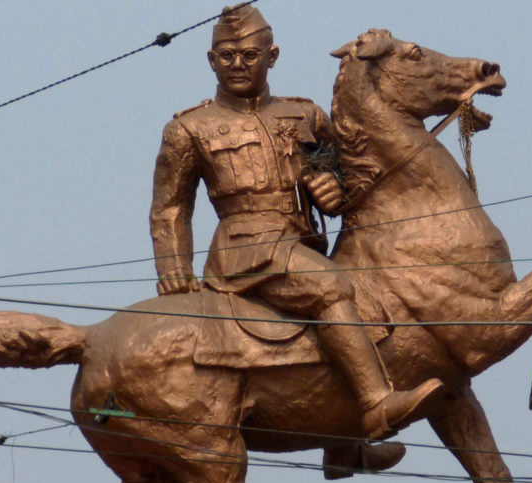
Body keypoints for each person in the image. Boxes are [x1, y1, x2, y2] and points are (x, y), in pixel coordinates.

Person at [149, 5, 443, 439]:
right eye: (226, 55)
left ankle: (344, 445)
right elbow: (170, 208)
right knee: (331, 288)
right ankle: (378, 404)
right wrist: (173, 270)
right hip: (246, 251)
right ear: (211, 60)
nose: (236, 65)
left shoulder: (304, 115)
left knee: (371, 295)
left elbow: (348, 167)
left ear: (272, 56)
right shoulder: (190, 128)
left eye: (248, 55)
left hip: (303, 244)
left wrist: (333, 189)